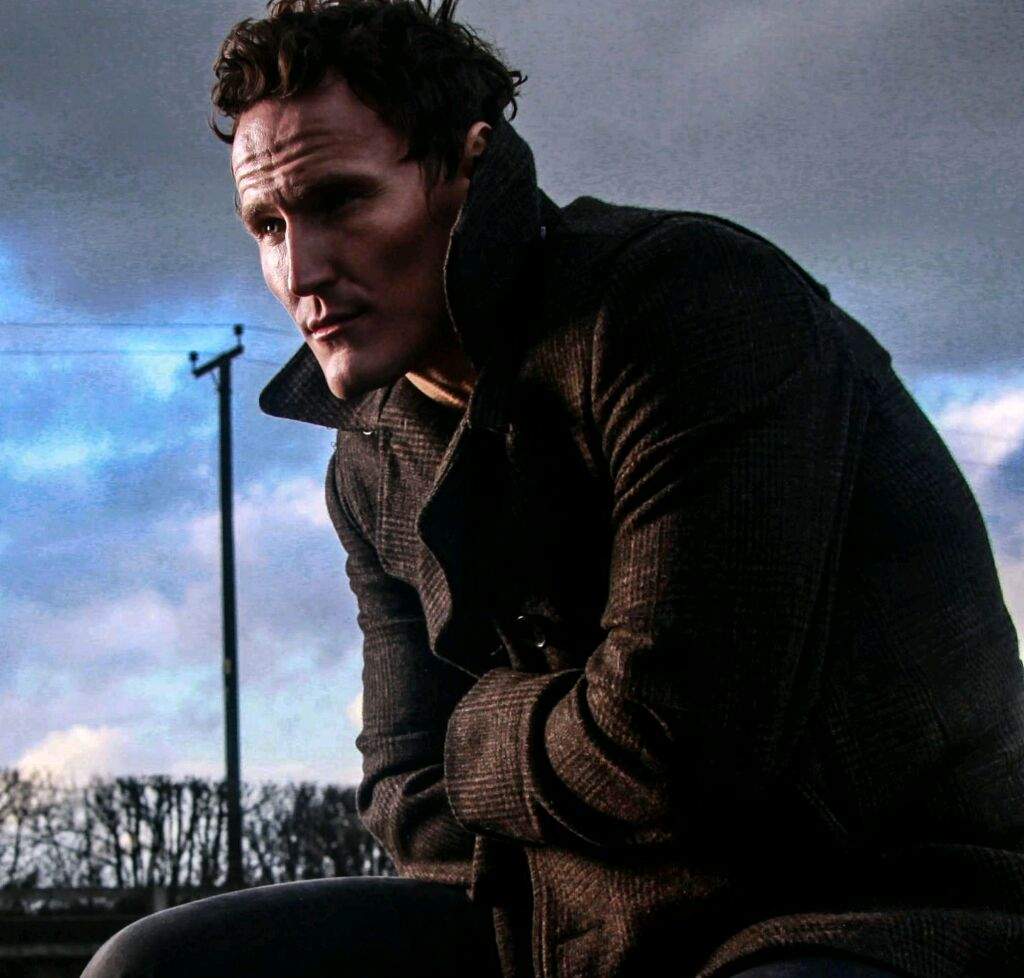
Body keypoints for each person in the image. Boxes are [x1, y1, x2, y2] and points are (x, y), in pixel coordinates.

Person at [83, 1, 1024, 976]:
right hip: (554, 918)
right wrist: (563, 754)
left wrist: (480, 728)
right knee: (156, 964)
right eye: (268, 225)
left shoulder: (689, 305)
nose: (302, 270)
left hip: (856, 905)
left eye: (342, 202)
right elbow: (409, 800)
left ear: (467, 166)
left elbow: (670, 748)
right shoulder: (369, 455)